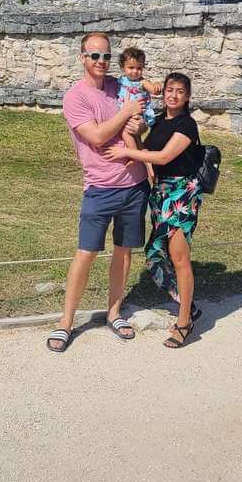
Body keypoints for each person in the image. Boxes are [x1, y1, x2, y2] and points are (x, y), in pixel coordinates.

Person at [46, 32, 149, 354]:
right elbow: (97, 137)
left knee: (124, 251)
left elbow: (140, 121)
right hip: (100, 187)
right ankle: (66, 321)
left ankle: (115, 313)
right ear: (82, 58)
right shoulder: (75, 98)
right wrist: (125, 113)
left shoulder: (121, 87)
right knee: (86, 253)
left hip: (134, 184)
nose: (101, 62)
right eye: (94, 56)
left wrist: (138, 126)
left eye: (106, 56)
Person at [107, 72, 203, 349]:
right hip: (161, 193)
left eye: (180, 92)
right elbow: (147, 152)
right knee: (154, 257)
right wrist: (130, 132)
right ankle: (188, 304)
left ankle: (184, 323)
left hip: (182, 194)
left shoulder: (187, 125)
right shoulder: (160, 121)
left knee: (179, 256)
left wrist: (128, 154)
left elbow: (163, 157)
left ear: (187, 96)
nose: (173, 95)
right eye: (170, 90)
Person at [116, 47, 164, 183]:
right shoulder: (121, 80)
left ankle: (133, 156)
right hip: (127, 113)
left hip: (138, 113)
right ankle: (148, 162)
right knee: (137, 140)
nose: (135, 71)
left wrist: (157, 85)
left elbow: (153, 90)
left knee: (126, 132)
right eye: (131, 67)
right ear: (123, 68)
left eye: (139, 68)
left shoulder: (142, 82)